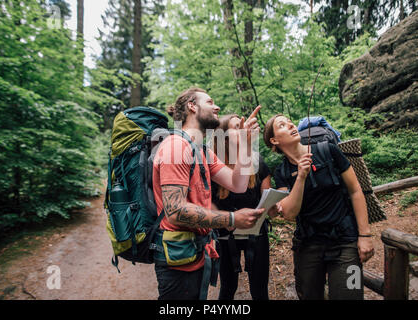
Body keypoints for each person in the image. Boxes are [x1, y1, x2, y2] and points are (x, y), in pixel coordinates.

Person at [151, 87, 264, 300]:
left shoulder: (202, 151)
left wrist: (246, 144)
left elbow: (238, 184)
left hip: (197, 254)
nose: (217, 106)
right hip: (177, 262)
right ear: (192, 106)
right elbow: (175, 211)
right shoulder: (175, 147)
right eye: (210, 102)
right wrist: (231, 218)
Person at [263, 114, 374, 300]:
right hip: (308, 246)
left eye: (289, 121)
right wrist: (300, 177)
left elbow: (355, 191)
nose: (290, 124)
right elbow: (289, 213)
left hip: (345, 240)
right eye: (282, 125)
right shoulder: (282, 172)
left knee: (351, 295)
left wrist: (365, 235)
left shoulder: (328, 151)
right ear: (274, 140)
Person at [210, 113, 276, 300]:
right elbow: (208, 201)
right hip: (225, 231)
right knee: (228, 287)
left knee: (260, 288)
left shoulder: (257, 160)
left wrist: (273, 207)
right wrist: (227, 220)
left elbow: (267, 197)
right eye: (235, 126)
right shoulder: (214, 163)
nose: (241, 129)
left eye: (242, 125)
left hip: (256, 231)